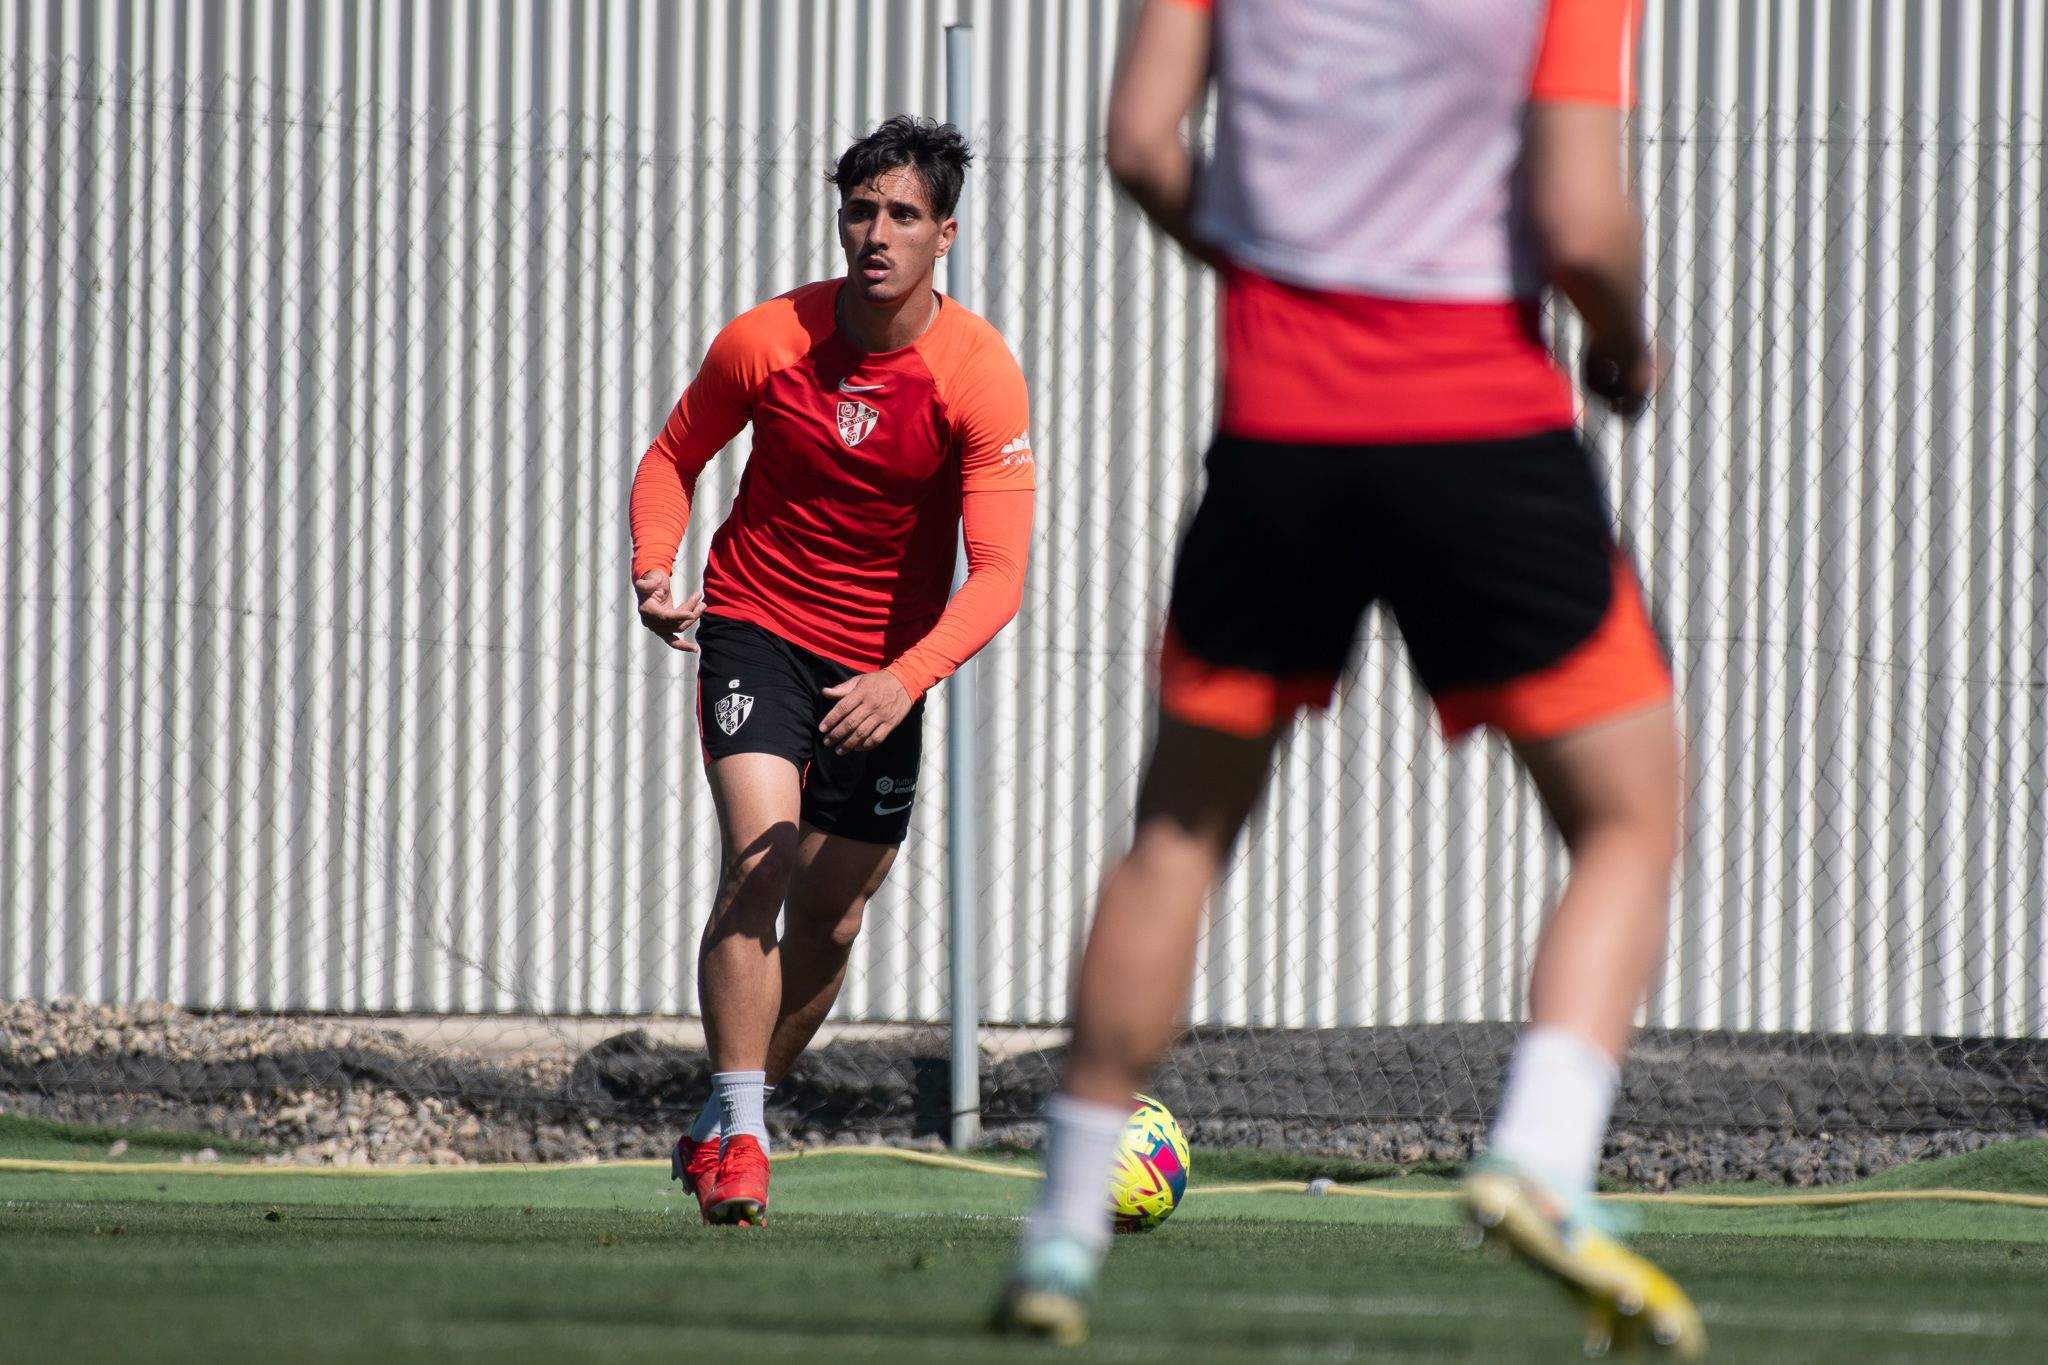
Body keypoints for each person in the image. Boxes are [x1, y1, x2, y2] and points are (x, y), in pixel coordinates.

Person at [992, 0, 1704, 1354]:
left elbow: (1141, 144)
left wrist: (1269, 265)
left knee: (1178, 833)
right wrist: (1620, 344)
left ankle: (1061, 1237)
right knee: (1627, 814)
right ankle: (1543, 1159)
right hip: (1483, 428)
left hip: (1282, 435)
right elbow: (1579, 220)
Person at [629, 116, 1035, 1227]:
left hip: (883, 672)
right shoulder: (767, 339)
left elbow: (997, 574)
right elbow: (672, 459)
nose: (876, 233)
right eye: (860, 210)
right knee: (758, 864)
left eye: (902, 214)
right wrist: (653, 568)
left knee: (833, 920)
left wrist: (905, 679)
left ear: (942, 235)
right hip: (756, 625)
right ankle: (747, 1135)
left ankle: (728, 1109)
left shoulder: (978, 375)